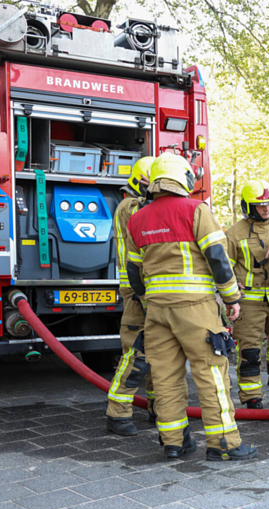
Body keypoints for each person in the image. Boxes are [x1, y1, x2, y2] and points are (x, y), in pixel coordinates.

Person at [127, 153, 255, 461]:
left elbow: (134, 271)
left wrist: (149, 299)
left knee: (165, 377)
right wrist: (232, 298)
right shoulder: (195, 210)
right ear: (182, 178)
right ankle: (224, 444)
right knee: (211, 373)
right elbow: (218, 258)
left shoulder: (137, 218)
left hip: (157, 311)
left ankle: (174, 442)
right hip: (195, 308)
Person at [225, 179, 269, 409]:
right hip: (250, 302)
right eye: (260, 205)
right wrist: (232, 288)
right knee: (250, 351)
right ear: (248, 206)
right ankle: (251, 396)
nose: (266, 208)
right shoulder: (234, 233)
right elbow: (224, 266)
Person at [106, 156, 156, 437]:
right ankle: (117, 413)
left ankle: (157, 407)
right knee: (136, 354)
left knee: (158, 354)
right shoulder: (129, 206)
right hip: (137, 294)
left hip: (154, 292)